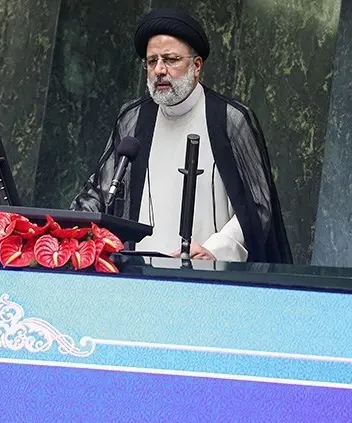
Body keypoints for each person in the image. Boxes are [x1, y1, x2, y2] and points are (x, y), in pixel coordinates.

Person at [71, 8, 293, 264]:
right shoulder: (133, 118)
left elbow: (258, 205)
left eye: (171, 59)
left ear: (196, 66)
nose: (159, 70)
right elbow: (101, 191)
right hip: (137, 271)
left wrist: (216, 249)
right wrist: (63, 229)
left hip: (206, 271)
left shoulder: (230, 119)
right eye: (151, 61)